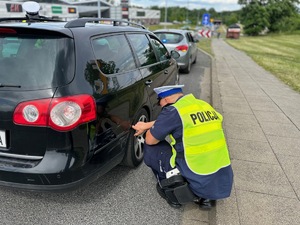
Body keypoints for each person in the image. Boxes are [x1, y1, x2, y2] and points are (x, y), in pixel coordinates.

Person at [132, 85, 233, 210]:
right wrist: (148, 124)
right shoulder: (203, 105)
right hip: (220, 176)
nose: (160, 106)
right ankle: (207, 199)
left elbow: (150, 140)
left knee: (153, 148)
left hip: (196, 173)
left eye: (159, 102)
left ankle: (174, 193)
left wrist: (147, 129)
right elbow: (181, 119)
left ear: (167, 99)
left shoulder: (173, 111)